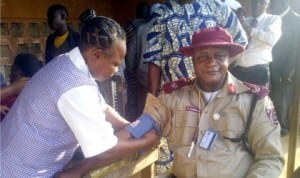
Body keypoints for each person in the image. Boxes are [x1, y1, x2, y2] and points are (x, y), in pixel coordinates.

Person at [1, 14, 159, 177]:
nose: (117, 70)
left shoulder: (66, 63)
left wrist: (127, 125)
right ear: (96, 54)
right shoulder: (75, 87)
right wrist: (145, 142)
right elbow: (104, 151)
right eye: (115, 64)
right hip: (19, 171)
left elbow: (101, 107)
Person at [126, 27, 284, 177]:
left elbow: (270, 158)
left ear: (229, 59)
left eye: (219, 56)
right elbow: (147, 121)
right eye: (203, 57)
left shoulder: (254, 102)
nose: (211, 63)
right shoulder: (173, 96)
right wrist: (121, 137)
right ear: (193, 61)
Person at [143, 0, 248, 96]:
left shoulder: (218, 7)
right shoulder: (162, 12)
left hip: (212, 93)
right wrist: (152, 97)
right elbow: (154, 59)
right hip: (173, 95)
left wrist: (218, 66)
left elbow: (241, 41)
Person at [124, 3, 165, 121]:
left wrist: (131, 70)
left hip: (143, 79)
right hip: (164, 81)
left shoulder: (141, 29)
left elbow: (131, 53)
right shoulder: (169, 28)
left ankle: (141, 134)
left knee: (143, 108)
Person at [230, 0, 281, 86]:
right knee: (235, 99)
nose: (257, 5)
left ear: (267, 4)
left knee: (258, 99)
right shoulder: (245, 20)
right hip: (238, 70)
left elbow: (271, 39)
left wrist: (250, 30)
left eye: (262, 2)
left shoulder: (273, 19)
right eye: (255, 2)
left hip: (258, 72)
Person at [268, 0, 300, 135]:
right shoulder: (272, 19)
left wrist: (288, 72)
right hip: (270, 65)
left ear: (281, 4)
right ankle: (276, 125)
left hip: (285, 69)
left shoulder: (296, 20)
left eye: (272, 4)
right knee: (274, 98)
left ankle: (284, 128)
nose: (269, 7)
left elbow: (295, 50)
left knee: (283, 99)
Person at [1, 53, 43, 120]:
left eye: (14, 73)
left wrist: (12, 88)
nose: (9, 77)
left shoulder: (15, 102)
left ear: (26, 80)